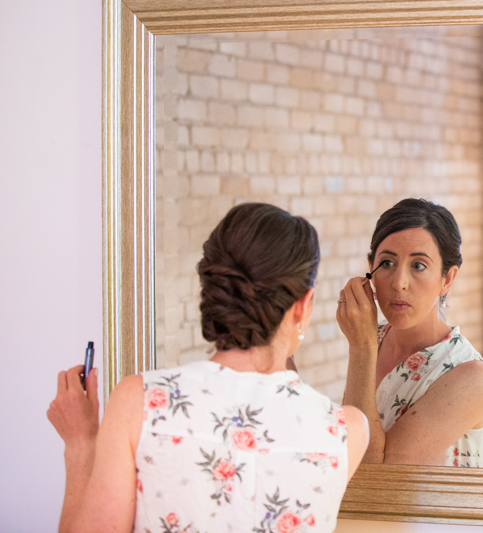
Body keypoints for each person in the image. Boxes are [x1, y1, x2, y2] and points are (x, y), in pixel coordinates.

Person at [47, 203, 369, 533]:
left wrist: (81, 443)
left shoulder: (138, 401)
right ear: (303, 306)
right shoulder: (347, 431)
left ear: (212, 291)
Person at [336, 198, 483, 467]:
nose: (399, 283)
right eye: (386, 263)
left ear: (447, 279)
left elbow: (379, 476)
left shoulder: (473, 378)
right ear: (370, 269)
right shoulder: (373, 339)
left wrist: (361, 349)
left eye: (418, 266)